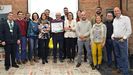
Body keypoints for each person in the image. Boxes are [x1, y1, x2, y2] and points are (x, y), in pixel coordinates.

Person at [112, 7, 132, 75]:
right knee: (117, 55)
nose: (116, 12)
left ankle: (126, 72)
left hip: (122, 40)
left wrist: (124, 38)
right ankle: (120, 69)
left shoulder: (126, 18)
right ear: (114, 13)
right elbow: (115, 30)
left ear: (120, 11)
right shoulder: (114, 20)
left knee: (124, 56)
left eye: (117, 10)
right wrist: (113, 35)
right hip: (115, 40)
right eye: (115, 11)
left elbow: (129, 30)